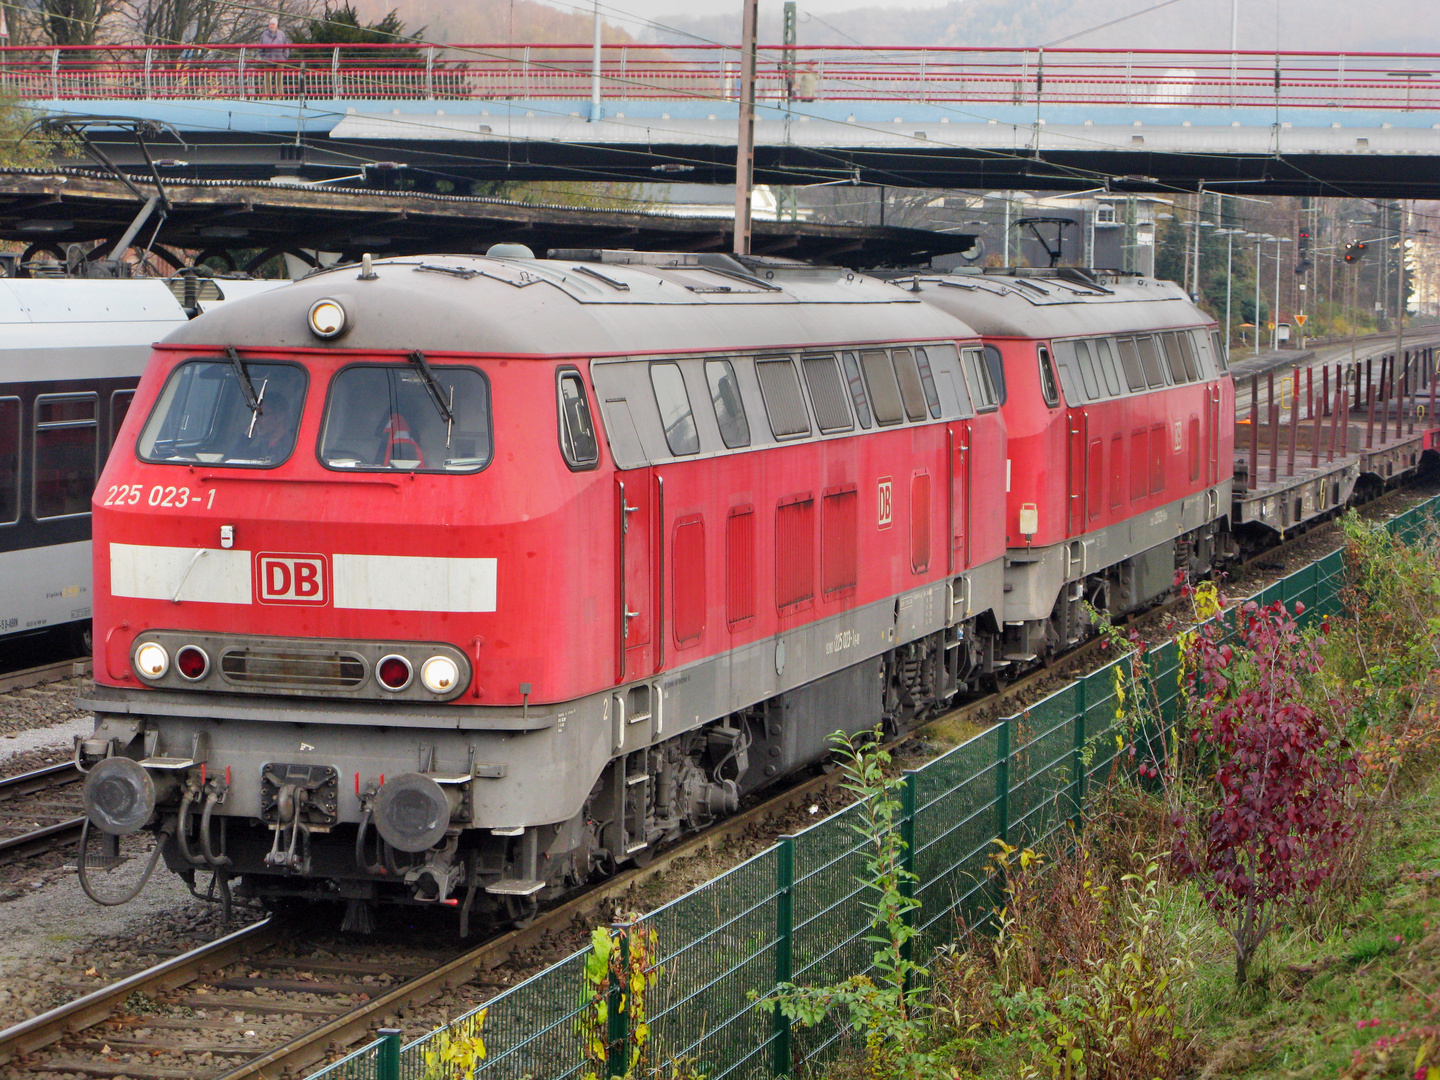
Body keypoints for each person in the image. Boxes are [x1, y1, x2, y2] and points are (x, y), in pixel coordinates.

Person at [257, 16, 291, 96]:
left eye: (273, 24)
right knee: (267, 79)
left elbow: (286, 46)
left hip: (279, 59)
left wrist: (284, 57)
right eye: (270, 24)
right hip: (268, 59)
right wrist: (263, 56)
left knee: (279, 79)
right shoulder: (264, 35)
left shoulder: (281, 34)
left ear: (276, 25)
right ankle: (265, 95)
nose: (271, 26)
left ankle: (278, 95)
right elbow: (260, 46)